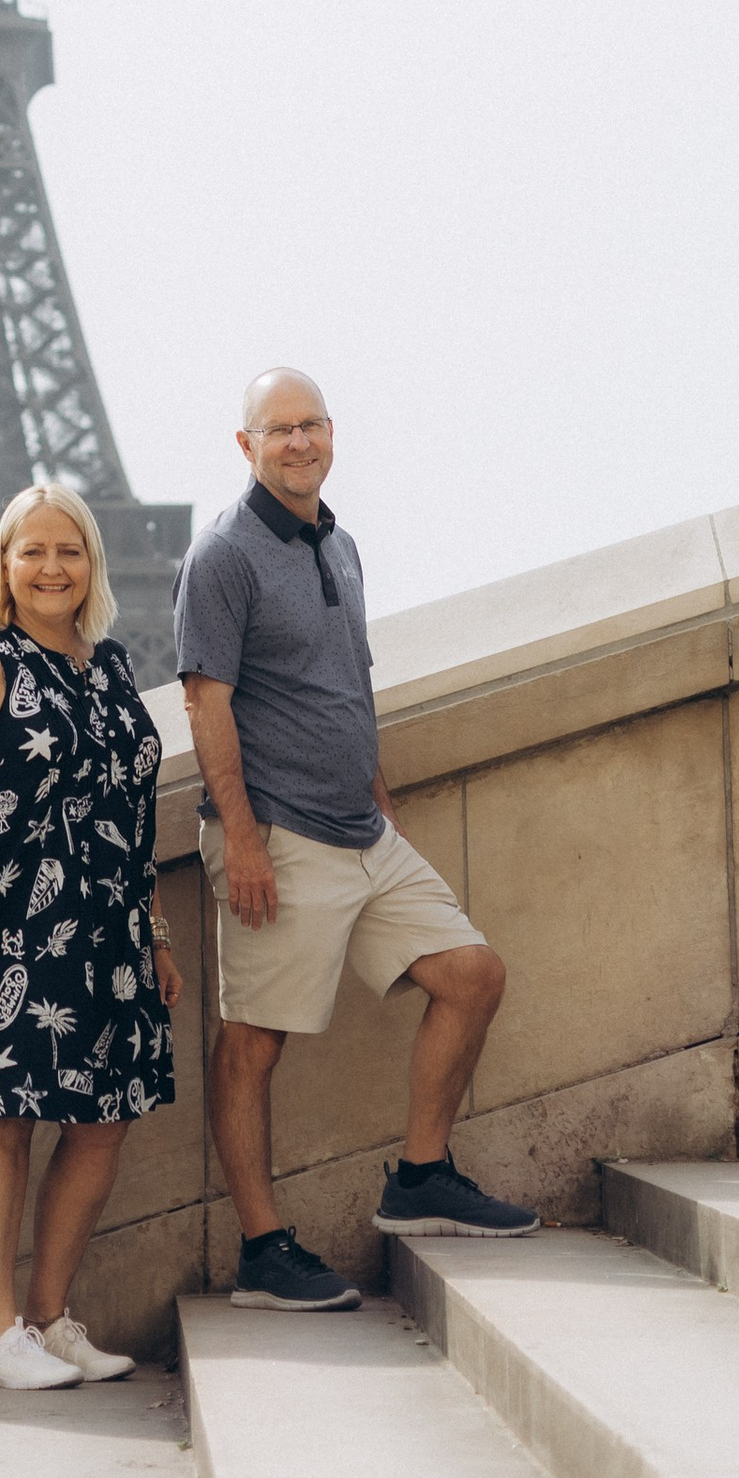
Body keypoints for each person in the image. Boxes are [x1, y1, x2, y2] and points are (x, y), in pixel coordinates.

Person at [178, 368, 539, 1313]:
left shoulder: (341, 547)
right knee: (252, 1043)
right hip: (279, 835)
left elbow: (349, 684)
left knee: (473, 975)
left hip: (362, 829)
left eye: (313, 425)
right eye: (279, 429)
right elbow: (205, 703)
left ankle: (419, 1175)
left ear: (331, 435)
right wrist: (244, 841)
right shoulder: (222, 553)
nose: (299, 442)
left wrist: (378, 798)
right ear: (246, 445)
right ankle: (263, 1248)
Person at [0, 483, 180, 1391]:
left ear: (92, 563)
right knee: (5, 1122)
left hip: (108, 937)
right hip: (13, 938)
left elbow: (133, 813)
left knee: (103, 1125)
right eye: (30, 551)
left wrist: (154, 933)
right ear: (4, 564)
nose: (50, 568)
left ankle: (46, 1317)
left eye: (67, 551)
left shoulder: (111, 666)